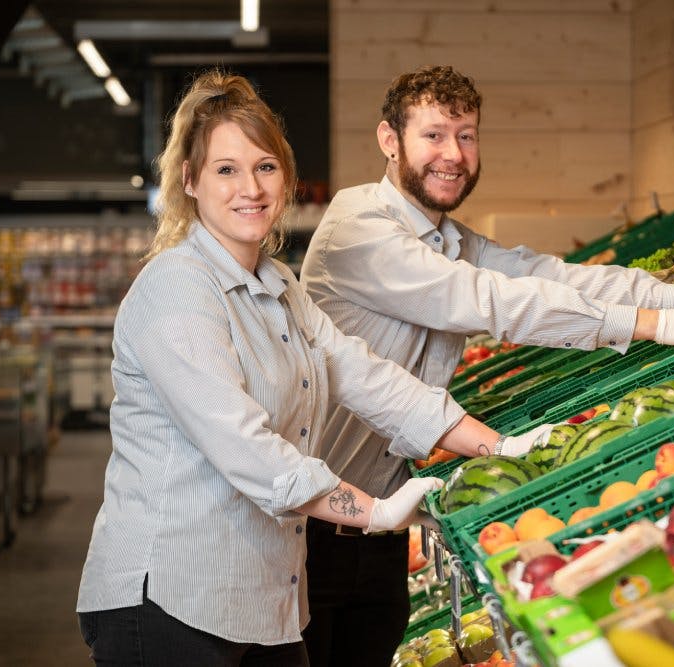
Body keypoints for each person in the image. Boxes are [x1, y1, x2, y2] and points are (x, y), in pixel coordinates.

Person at [298, 64, 674, 666]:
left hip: (384, 526)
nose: (452, 154)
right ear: (389, 140)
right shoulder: (357, 231)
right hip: (310, 530)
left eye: (466, 135)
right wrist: (655, 327)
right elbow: (491, 301)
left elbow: (548, 276)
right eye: (433, 135)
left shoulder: (449, 237)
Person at [75, 70, 533, 667]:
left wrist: (501, 448)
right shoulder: (176, 290)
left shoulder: (280, 285)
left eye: (266, 166)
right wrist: (376, 511)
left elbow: (364, 375)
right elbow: (247, 449)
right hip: (169, 599)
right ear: (189, 180)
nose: (251, 188)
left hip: (264, 598)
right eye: (226, 169)